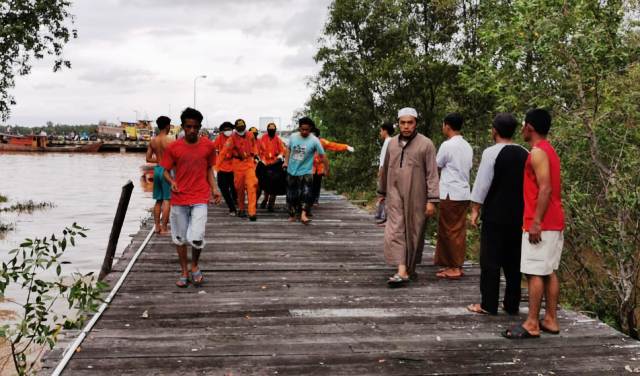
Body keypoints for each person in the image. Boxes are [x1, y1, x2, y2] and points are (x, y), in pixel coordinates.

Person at [503, 108, 565, 339]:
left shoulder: (538, 152)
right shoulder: (550, 151)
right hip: (554, 221)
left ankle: (532, 323)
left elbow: (545, 187)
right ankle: (550, 319)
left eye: (523, 125)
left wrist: (535, 222)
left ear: (529, 127)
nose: (521, 129)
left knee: (534, 272)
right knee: (549, 271)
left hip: (541, 222)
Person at [466, 113, 529, 315]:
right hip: (518, 215)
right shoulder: (524, 153)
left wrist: (475, 209)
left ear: (495, 130)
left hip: (495, 214)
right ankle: (511, 304)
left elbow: (482, 184)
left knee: (490, 260)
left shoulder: (491, 153)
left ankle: (488, 304)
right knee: (514, 261)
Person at [378, 107, 439, 287]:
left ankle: (409, 269)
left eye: (410, 122)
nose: (406, 126)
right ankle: (402, 270)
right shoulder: (391, 144)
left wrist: (432, 200)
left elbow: (432, 173)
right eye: (402, 123)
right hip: (394, 192)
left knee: (414, 231)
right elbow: (385, 168)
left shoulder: (426, 144)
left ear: (416, 123)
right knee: (395, 229)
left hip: (417, 194)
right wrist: (381, 192)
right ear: (398, 124)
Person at [160, 107, 221, 288]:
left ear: (200, 127)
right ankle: (184, 271)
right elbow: (164, 171)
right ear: (183, 127)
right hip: (179, 198)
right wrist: (171, 181)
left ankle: (194, 265)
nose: (192, 130)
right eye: (188, 126)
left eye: (195, 127)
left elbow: (209, 169)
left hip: (200, 196)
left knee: (197, 237)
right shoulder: (174, 147)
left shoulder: (208, 146)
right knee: (179, 238)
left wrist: (215, 189)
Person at [434, 113, 473, 280]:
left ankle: (455, 267)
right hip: (463, 192)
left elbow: (437, 165)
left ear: (447, 126)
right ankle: (452, 264)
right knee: (456, 229)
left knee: (451, 231)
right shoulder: (467, 146)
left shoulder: (447, 145)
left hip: (451, 193)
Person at [283, 117, 328, 225]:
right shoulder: (293, 137)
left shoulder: (314, 140)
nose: (304, 132)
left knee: (307, 193)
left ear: (310, 129)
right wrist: (286, 162)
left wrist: (326, 168)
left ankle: (304, 214)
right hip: (292, 170)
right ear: (299, 128)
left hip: (307, 171)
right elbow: (288, 149)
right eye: (302, 129)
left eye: (307, 130)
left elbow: (323, 156)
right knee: (291, 194)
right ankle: (292, 214)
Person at [219, 118, 259, 221]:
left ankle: (252, 212)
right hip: (237, 164)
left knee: (252, 185)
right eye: (239, 129)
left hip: (249, 163)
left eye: (243, 129)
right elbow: (223, 152)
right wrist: (217, 166)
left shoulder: (250, 135)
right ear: (236, 129)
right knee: (239, 189)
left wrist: (255, 155)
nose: (241, 132)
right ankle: (241, 208)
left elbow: (254, 146)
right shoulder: (232, 138)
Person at [311, 128, 354, 206]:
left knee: (317, 184)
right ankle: (308, 200)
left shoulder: (322, 142)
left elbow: (333, 145)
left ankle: (315, 200)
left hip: (319, 167)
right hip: (308, 167)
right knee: (309, 184)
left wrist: (346, 147)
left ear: (317, 136)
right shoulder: (306, 141)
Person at [146, 115, 174, 235]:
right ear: (167, 126)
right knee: (167, 200)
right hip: (166, 171)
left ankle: (157, 226)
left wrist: (159, 161)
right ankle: (164, 228)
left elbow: (147, 158)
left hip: (157, 170)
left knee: (158, 200)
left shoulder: (153, 141)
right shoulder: (170, 140)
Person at [257, 122, 287, 211]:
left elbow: (283, 150)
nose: (271, 131)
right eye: (270, 129)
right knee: (265, 183)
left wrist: (280, 157)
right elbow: (259, 151)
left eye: (273, 129)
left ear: (275, 130)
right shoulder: (263, 138)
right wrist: (262, 160)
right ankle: (265, 200)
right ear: (267, 130)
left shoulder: (277, 139)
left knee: (274, 183)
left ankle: (271, 204)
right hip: (265, 163)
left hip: (274, 164)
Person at [213, 121, 237, 215]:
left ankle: (234, 200)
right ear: (222, 131)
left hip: (234, 167)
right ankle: (232, 208)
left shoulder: (235, 138)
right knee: (223, 187)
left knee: (234, 187)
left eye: (229, 129)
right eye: (225, 130)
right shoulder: (219, 138)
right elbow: (212, 149)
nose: (228, 131)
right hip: (221, 167)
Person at [375, 122, 394, 225]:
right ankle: (384, 216)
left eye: (381, 130)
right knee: (383, 194)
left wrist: (381, 171)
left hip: (385, 170)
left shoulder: (389, 141)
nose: (380, 133)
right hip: (384, 169)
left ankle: (386, 218)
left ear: (385, 130)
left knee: (384, 193)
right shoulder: (388, 141)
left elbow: (385, 159)